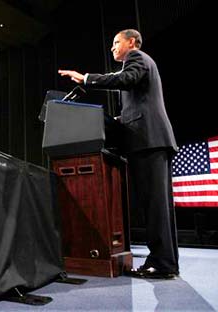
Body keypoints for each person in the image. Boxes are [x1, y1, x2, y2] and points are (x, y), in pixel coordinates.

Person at [58, 29, 179, 279]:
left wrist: (86, 79)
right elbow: (134, 95)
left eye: (116, 43)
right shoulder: (140, 63)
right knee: (158, 206)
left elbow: (124, 79)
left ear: (131, 42)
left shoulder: (136, 58)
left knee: (154, 206)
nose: (112, 48)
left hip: (148, 141)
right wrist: (117, 120)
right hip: (151, 140)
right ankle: (165, 261)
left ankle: (163, 263)